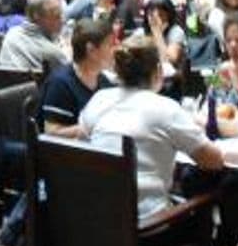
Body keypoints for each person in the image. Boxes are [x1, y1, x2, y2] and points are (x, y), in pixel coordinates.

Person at [78, 37, 223, 220]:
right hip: (148, 226)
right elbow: (214, 160)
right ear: (158, 71)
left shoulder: (99, 100)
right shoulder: (166, 108)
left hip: (98, 220)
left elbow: (82, 145)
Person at [38, 18, 116, 139]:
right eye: (110, 45)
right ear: (91, 50)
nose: (115, 50)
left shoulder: (103, 80)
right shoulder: (60, 83)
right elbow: (51, 132)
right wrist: (92, 129)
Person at [0, 0, 69, 73]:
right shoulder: (54, 53)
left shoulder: (12, 32)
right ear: (37, 16)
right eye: (57, 16)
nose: (62, 20)